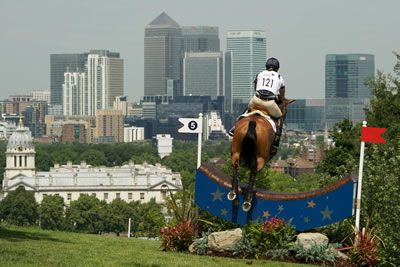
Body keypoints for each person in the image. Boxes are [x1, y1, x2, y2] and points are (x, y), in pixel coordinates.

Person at [229, 57, 286, 153]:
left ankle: (234, 128)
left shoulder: (260, 74)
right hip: (269, 103)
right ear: (277, 68)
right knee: (280, 118)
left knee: (247, 111)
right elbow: (282, 92)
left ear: (266, 67)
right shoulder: (279, 77)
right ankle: (276, 142)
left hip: (257, 99)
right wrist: (280, 99)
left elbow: (256, 88)